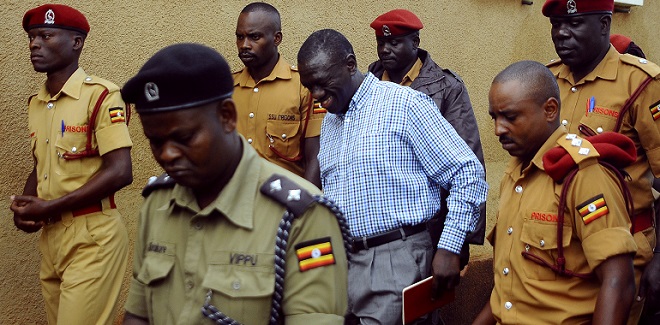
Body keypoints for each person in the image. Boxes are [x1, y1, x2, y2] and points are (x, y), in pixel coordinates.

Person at [120, 43, 349, 325]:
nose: (167, 154)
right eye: (156, 141)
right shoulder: (157, 203)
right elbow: (138, 314)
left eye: (184, 138)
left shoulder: (301, 216)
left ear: (227, 116)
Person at [297, 29, 488, 324]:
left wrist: (450, 246)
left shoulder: (405, 105)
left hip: (396, 259)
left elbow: (467, 173)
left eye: (322, 83)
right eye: (310, 87)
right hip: (343, 265)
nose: (317, 95)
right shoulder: (331, 124)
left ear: (350, 65)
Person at [473, 60, 637, 325]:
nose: (498, 130)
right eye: (495, 117)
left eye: (510, 117)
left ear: (550, 110)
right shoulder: (515, 172)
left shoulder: (584, 175)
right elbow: (510, 286)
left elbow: (619, 283)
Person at [10, 4, 133, 325]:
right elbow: (43, 164)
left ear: (76, 42)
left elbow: (120, 171)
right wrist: (27, 206)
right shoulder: (36, 103)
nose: (34, 44)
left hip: (92, 236)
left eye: (46, 36)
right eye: (32, 37)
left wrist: (50, 205)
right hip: (52, 238)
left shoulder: (102, 96)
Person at [543, 0, 660, 323]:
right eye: (556, 25)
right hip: (556, 250)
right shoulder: (545, 80)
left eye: (574, 24)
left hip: (621, 253)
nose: (562, 34)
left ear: (605, 25)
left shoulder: (640, 83)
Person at [367, 8, 487, 269]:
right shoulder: (368, 85)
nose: (385, 49)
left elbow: (468, 158)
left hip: (429, 223)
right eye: (381, 43)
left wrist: (458, 240)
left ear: (415, 43)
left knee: (423, 302)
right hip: (380, 224)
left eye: (394, 42)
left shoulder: (446, 87)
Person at [233, 2, 324, 188]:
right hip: (235, 202)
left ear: (277, 38)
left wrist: (304, 208)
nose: (244, 45)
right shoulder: (227, 88)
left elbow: (316, 157)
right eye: (239, 37)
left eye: (254, 37)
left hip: (283, 202)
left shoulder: (303, 86)